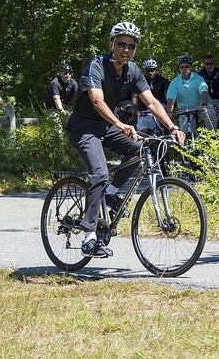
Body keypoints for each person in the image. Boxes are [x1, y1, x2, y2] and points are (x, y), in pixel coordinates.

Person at [67, 21, 185, 258]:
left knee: (140, 151)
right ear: (112, 43)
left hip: (106, 125)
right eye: (121, 44)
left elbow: (151, 102)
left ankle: (110, 191)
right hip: (83, 127)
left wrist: (172, 126)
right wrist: (120, 124)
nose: (126, 49)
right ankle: (88, 235)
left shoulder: (132, 70)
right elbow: (97, 101)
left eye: (131, 46)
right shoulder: (96, 66)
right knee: (99, 172)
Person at [166, 54, 212, 137]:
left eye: (187, 66)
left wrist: (204, 104)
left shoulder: (198, 78)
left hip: (200, 105)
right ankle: (188, 146)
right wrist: (169, 112)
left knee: (210, 114)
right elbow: (171, 99)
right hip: (185, 109)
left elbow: (204, 91)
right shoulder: (175, 82)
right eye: (182, 67)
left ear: (190, 67)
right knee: (185, 132)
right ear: (179, 68)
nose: (184, 69)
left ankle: (212, 138)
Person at [133, 58, 171, 134]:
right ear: (144, 70)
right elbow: (134, 96)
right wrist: (136, 109)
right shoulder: (140, 81)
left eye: (153, 70)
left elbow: (169, 95)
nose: (150, 72)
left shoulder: (163, 80)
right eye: (148, 70)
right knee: (144, 131)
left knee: (165, 128)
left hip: (160, 108)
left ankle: (168, 145)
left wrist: (169, 108)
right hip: (144, 110)